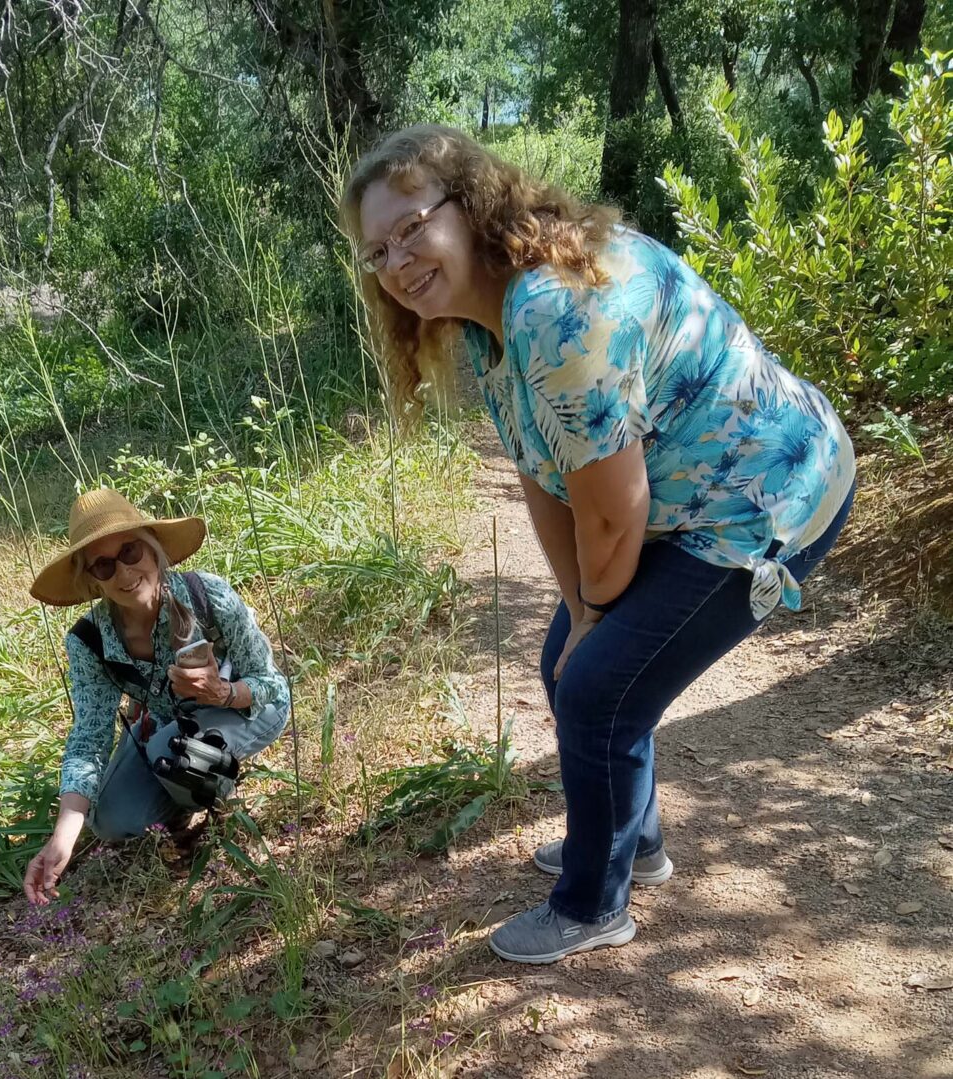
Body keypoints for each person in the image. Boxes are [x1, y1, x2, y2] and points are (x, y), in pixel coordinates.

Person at [342, 125, 855, 963]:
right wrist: (582, 611)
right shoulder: (486, 319)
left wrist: (597, 623)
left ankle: (592, 903)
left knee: (592, 688)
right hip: (688, 503)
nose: (398, 260)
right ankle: (634, 838)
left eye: (412, 227)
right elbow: (542, 476)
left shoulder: (553, 305)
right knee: (570, 657)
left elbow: (614, 517)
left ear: (468, 209)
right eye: (378, 251)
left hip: (773, 496)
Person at [23, 488, 289, 905]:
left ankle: (218, 798)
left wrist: (221, 692)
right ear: (92, 579)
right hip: (171, 728)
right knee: (110, 819)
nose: (124, 573)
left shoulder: (208, 596)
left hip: (250, 706)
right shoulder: (90, 641)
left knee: (174, 748)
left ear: (152, 549)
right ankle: (184, 799)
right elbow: (89, 737)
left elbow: (271, 681)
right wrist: (63, 836)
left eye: (130, 552)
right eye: (105, 565)